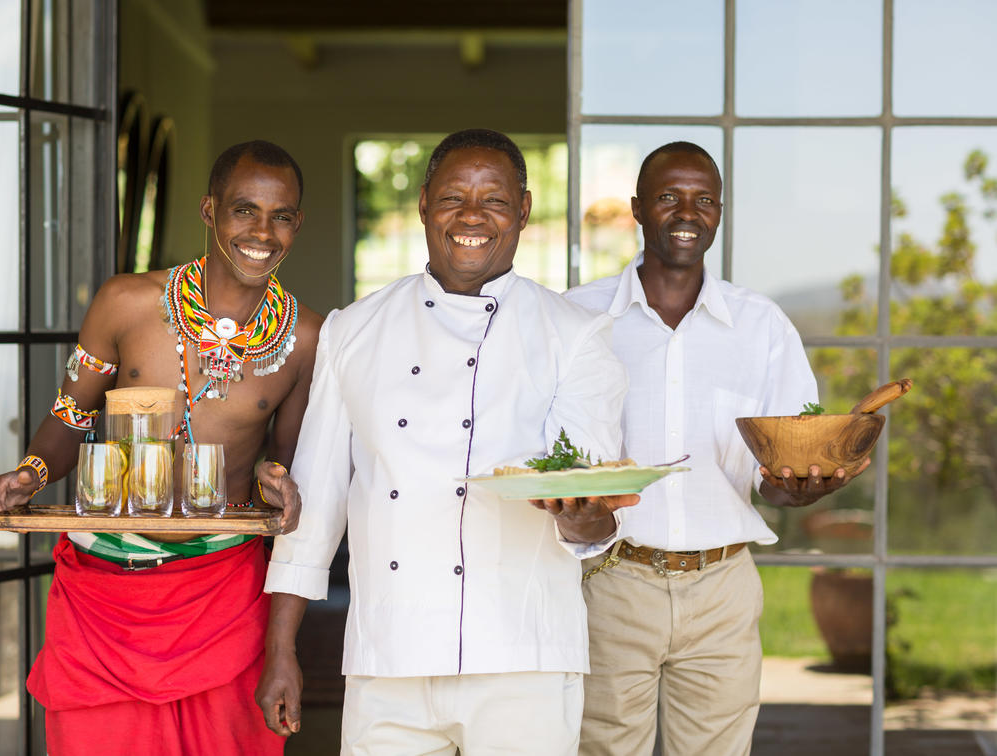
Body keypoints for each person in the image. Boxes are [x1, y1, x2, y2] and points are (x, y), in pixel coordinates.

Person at [254, 128, 639, 755]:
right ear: (424, 203)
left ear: (523, 211)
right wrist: (281, 649)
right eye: (454, 198)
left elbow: (586, 495)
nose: (471, 217)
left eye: (494, 200)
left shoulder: (575, 334)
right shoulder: (354, 329)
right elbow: (314, 505)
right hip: (390, 654)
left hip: (524, 657)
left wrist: (585, 519)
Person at [0, 140, 323, 756]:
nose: (261, 232)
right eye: (244, 210)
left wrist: (276, 480)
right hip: (103, 588)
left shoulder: (304, 338)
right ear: (209, 210)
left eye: (280, 216)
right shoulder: (125, 302)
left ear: (297, 224)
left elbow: (285, 460)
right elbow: (69, 417)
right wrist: (31, 473)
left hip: (222, 591)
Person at [565, 141, 869, 756]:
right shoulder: (578, 316)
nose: (687, 212)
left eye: (704, 200)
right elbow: (552, 451)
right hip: (611, 579)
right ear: (637, 209)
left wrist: (799, 487)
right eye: (668, 197)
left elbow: (777, 472)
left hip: (724, 587)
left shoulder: (761, 326)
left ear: (720, 213)